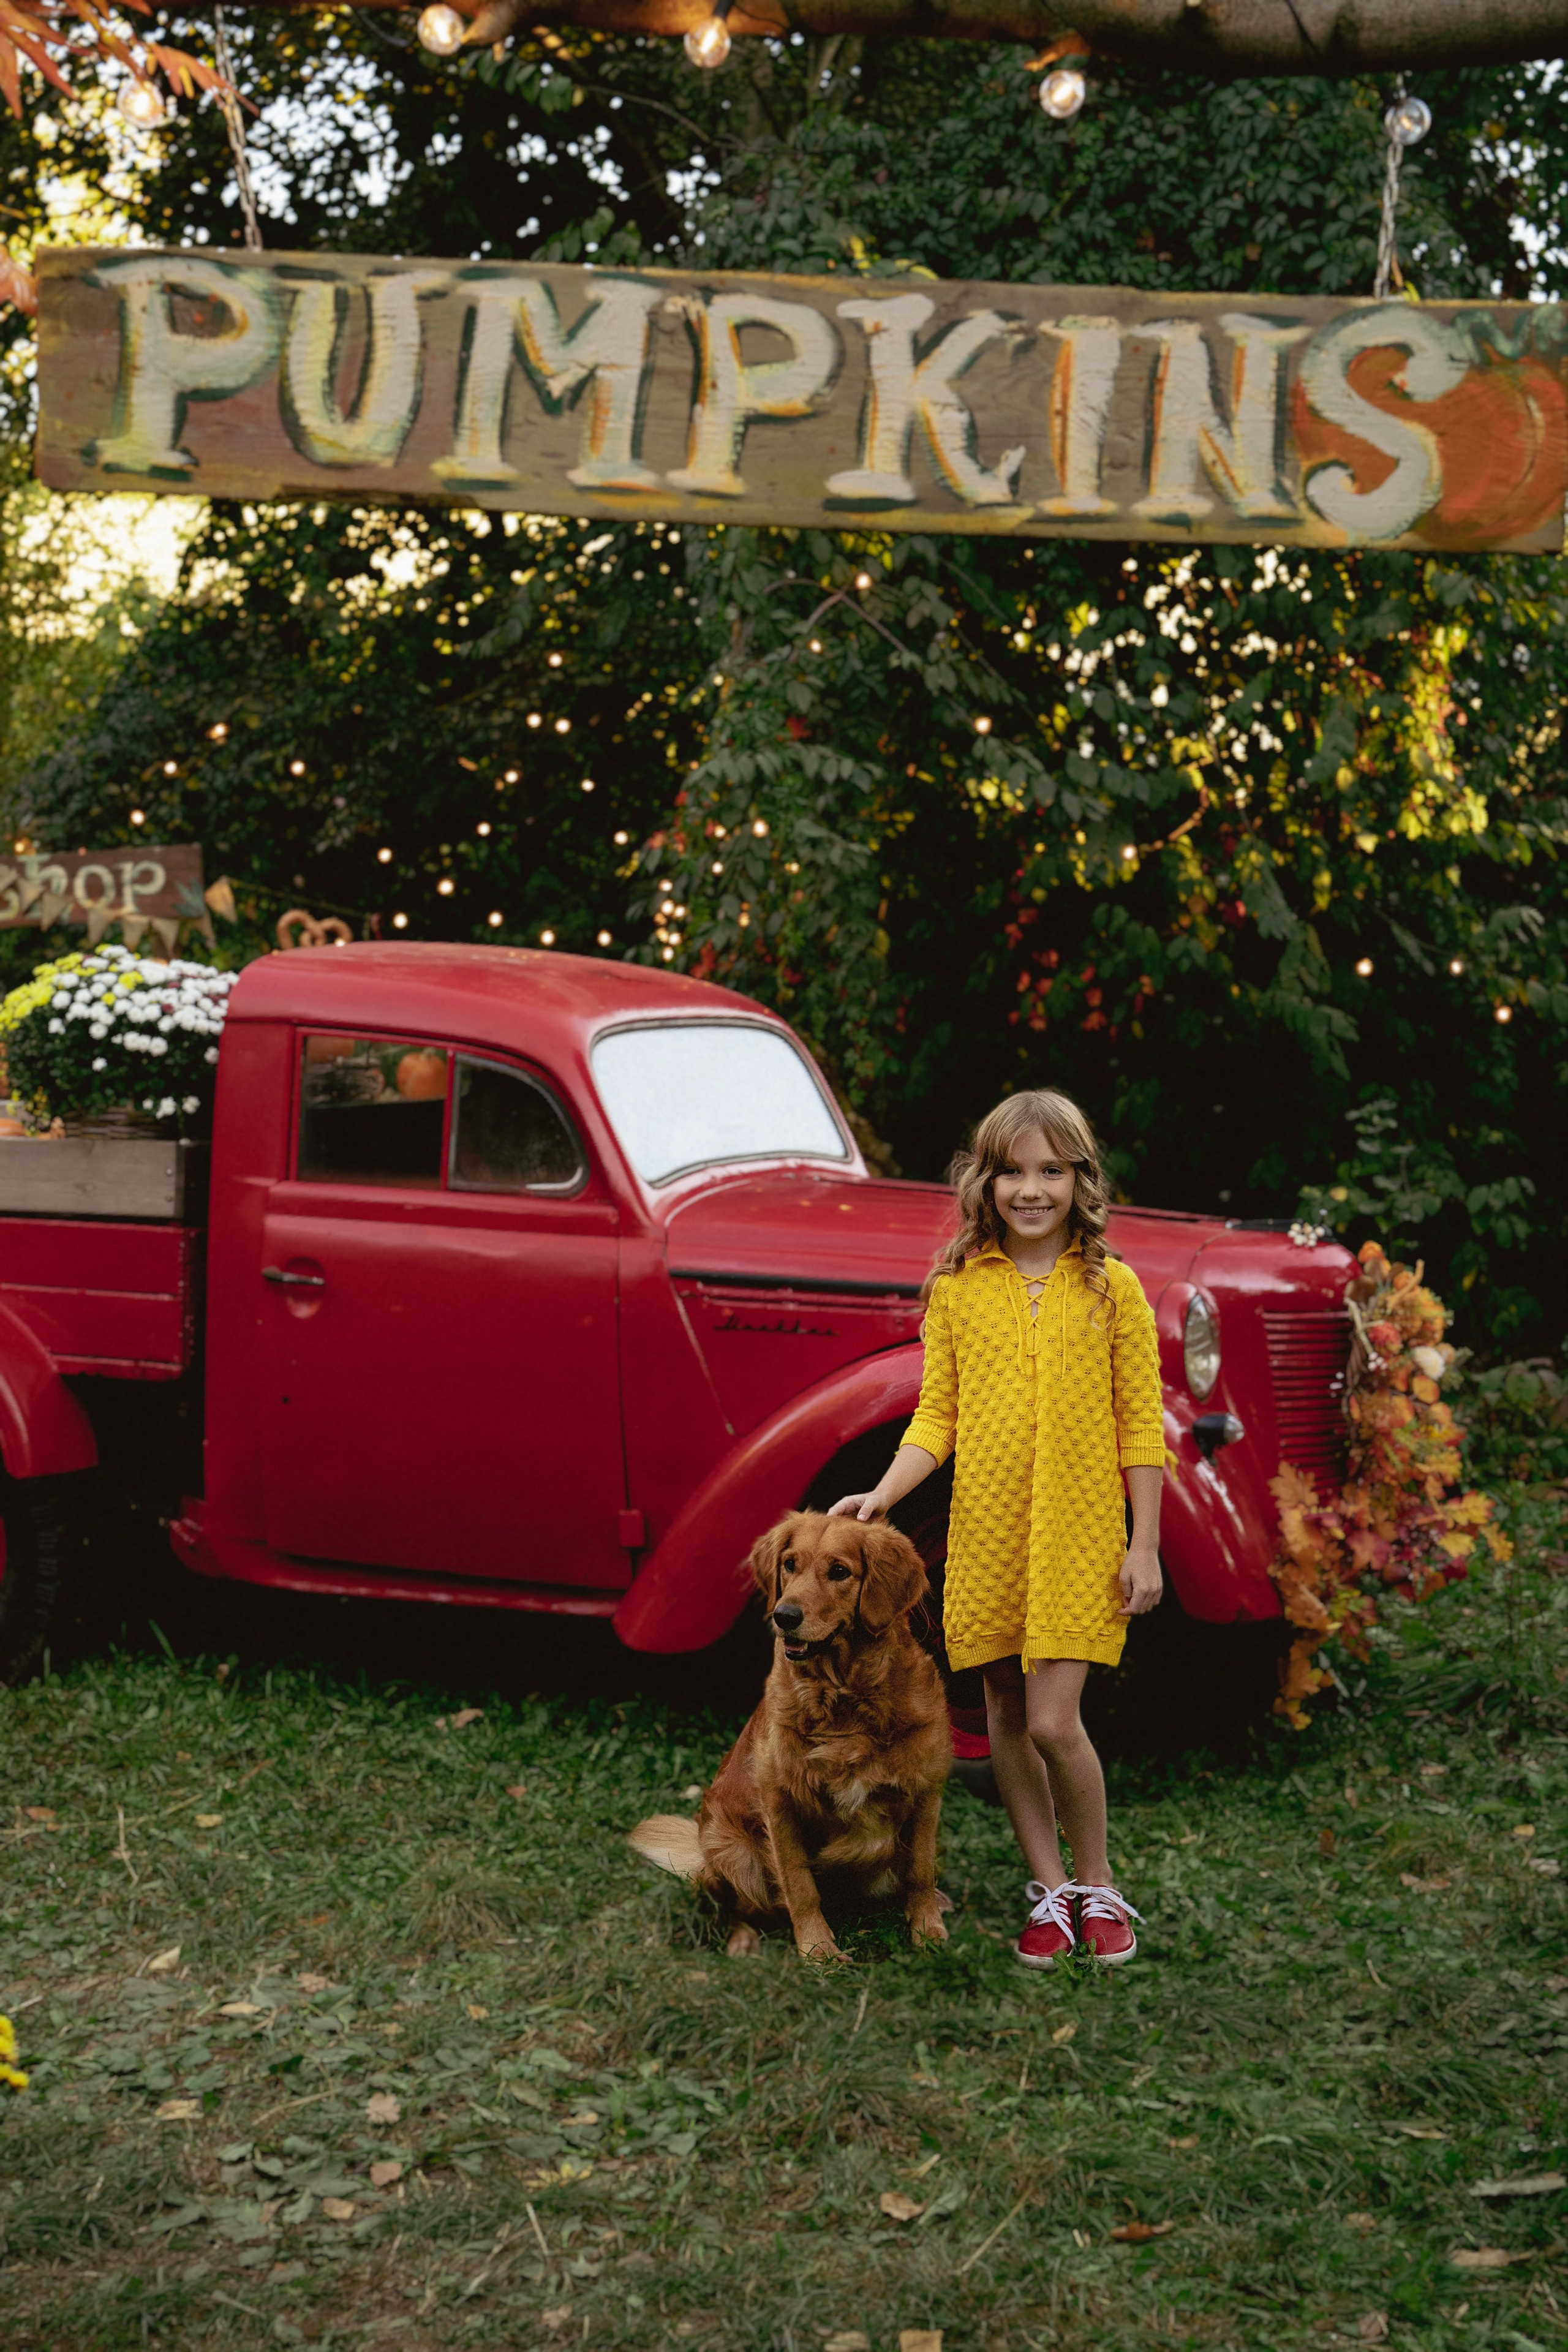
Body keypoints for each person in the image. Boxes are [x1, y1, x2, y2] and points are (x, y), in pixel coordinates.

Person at [829, 1089, 1164, 1967]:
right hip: (987, 1536)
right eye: (1013, 1171)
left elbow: (1141, 1428)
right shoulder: (958, 1290)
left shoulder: (1111, 1288)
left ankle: (1097, 1883)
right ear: (986, 1180)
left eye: (1051, 1171)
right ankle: (1050, 1892)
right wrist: (882, 1495)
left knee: (1057, 1722)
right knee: (1005, 1715)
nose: (1031, 1189)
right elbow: (936, 1417)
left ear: (1079, 1180)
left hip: (1080, 1537)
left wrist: (1146, 1544)